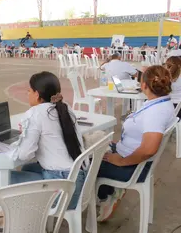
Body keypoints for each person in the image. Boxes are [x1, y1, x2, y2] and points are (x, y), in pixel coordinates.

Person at [96, 65, 176, 221]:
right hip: (130, 155)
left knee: (86, 165)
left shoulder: (156, 112)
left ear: (144, 85)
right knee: (96, 144)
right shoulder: (160, 102)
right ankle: (111, 190)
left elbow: (148, 149)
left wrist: (121, 161)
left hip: (133, 167)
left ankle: (106, 196)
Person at [10, 71, 85, 210]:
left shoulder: (35, 113)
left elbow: (24, 155)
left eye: (29, 91)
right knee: (27, 168)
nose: (28, 94)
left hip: (60, 191)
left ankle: (19, 221)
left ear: (37, 94)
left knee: (6, 179)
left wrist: (20, 141)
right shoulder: (65, 108)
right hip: (78, 183)